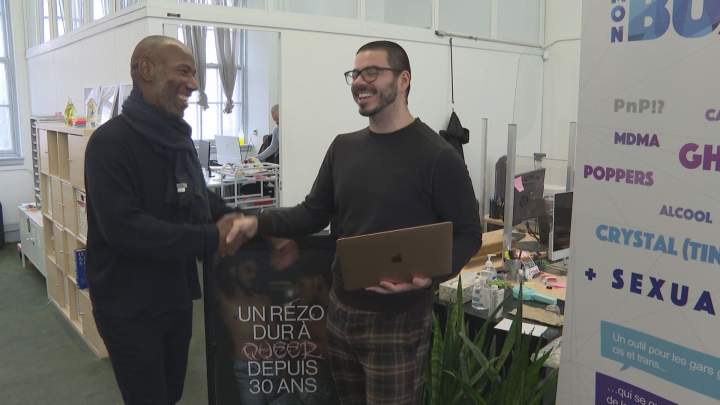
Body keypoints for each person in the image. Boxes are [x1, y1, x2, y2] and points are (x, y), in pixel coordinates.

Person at [231, 40, 482, 404]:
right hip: (341, 312)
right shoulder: (343, 148)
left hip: (399, 322)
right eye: (355, 74)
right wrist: (257, 223)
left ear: (403, 80)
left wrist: (432, 275)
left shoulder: (439, 156)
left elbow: (468, 233)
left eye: (372, 72)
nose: (360, 82)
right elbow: (312, 212)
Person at [84, 35, 246, 405]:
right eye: (184, 72)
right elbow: (125, 229)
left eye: (195, 74)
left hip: (176, 296)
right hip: (128, 306)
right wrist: (211, 237)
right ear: (146, 70)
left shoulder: (178, 140)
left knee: (171, 394)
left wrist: (251, 223)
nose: (194, 83)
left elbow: (200, 200)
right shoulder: (109, 143)